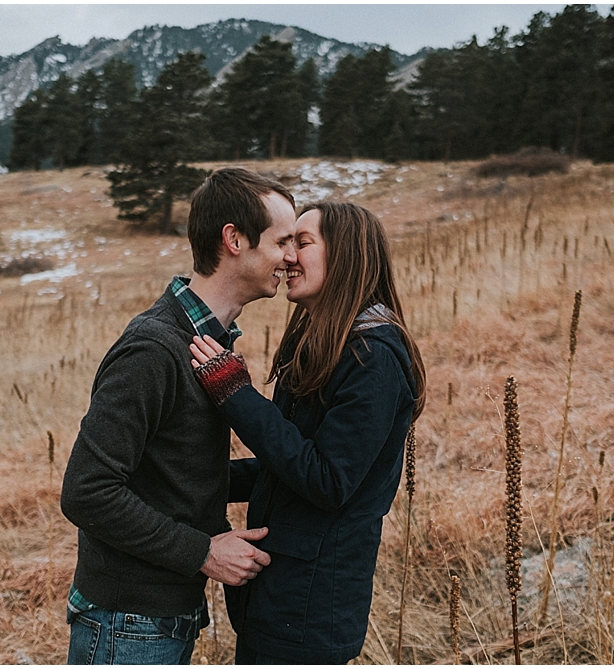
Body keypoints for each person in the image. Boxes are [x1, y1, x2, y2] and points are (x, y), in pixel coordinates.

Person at [59, 167, 298, 665]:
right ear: (234, 239)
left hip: (157, 618)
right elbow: (87, 490)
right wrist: (204, 552)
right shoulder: (155, 348)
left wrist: (304, 468)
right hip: (127, 623)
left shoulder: (206, 343)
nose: (291, 257)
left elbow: (174, 472)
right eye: (282, 242)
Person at [189, 202, 427, 664]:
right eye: (287, 243)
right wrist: (199, 478)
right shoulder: (327, 342)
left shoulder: (373, 356)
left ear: (347, 255)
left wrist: (236, 393)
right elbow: (291, 463)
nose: (288, 257)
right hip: (283, 600)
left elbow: (328, 480)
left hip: (310, 609)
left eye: (303, 242)